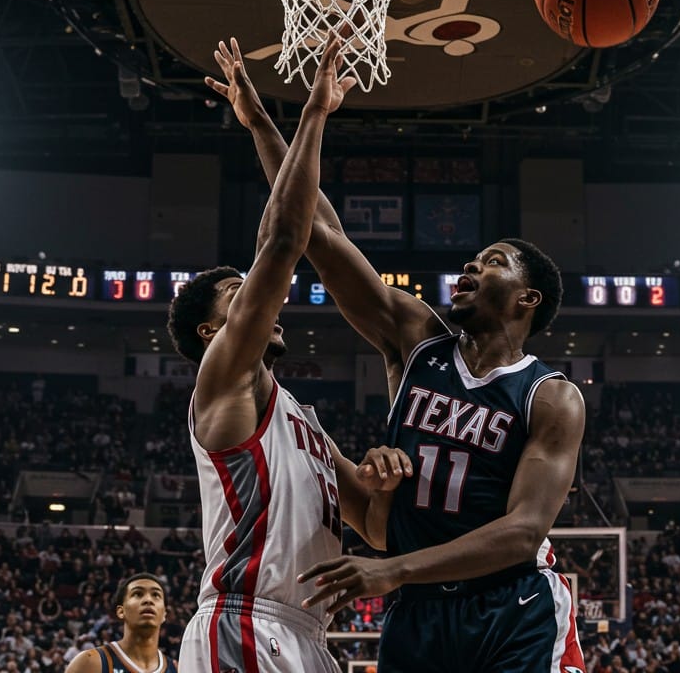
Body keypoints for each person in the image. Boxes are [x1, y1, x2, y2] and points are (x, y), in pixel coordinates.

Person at [208, 37, 587, 672]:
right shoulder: (417, 339)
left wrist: (395, 567)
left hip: (511, 605)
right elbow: (318, 231)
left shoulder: (550, 396)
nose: (471, 264)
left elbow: (524, 532)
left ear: (528, 298)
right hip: (416, 609)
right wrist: (264, 125)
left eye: (492, 261)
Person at [171, 37, 407, 673]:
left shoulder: (297, 417)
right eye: (235, 293)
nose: (253, 296)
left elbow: (378, 530)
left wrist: (381, 483)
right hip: (244, 622)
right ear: (209, 332)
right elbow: (283, 240)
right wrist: (311, 115)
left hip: (308, 636)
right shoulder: (223, 382)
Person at [65, 574, 178, 673]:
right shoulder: (90, 662)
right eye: (137, 594)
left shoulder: (177, 669)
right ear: (121, 611)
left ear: (164, 614)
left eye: (156, 595)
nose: (148, 600)